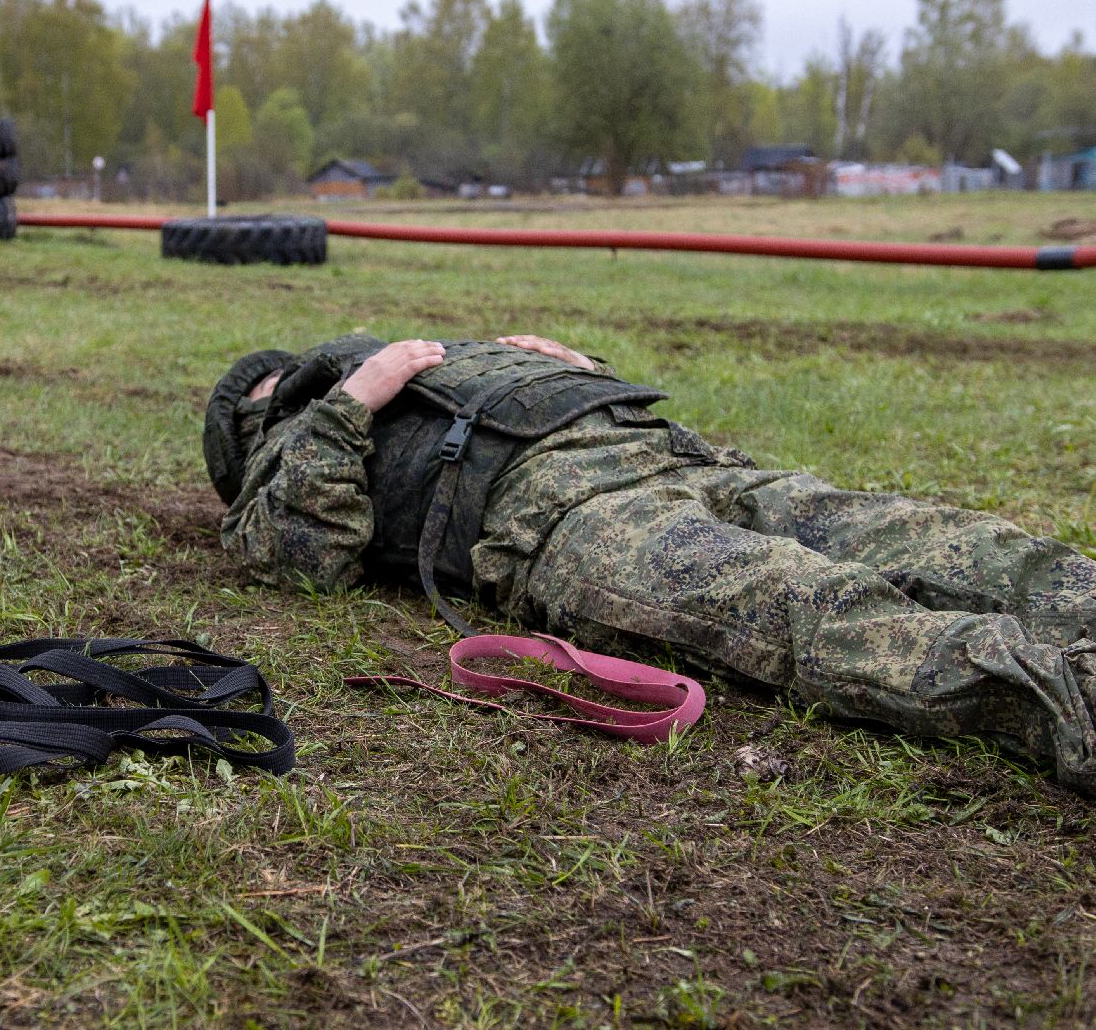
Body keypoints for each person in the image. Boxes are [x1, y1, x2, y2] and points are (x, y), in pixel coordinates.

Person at [205, 334, 1096, 793]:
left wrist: (557, 363)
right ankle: (1071, 699)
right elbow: (302, 560)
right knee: (811, 607)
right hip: (563, 512)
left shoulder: (423, 361)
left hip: (670, 451)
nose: (294, 382)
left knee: (936, 537)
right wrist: (346, 405)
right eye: (268, 396)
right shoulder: (300, 437)